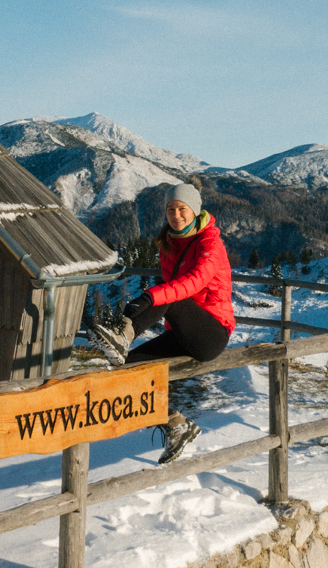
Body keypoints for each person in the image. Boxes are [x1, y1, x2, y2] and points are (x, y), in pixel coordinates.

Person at [92, 183, 233, 462]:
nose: (176, 214)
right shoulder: (169, 244)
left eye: (182, 208)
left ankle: (123, 334)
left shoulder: (210, 243)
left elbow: (192, 284)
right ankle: (176, 424)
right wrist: (150, 302)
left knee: (174, 294)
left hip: (212, 333)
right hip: (181, 333)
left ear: (195, 211)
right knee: (125, 367)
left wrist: (146, 299)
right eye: (171, 209)